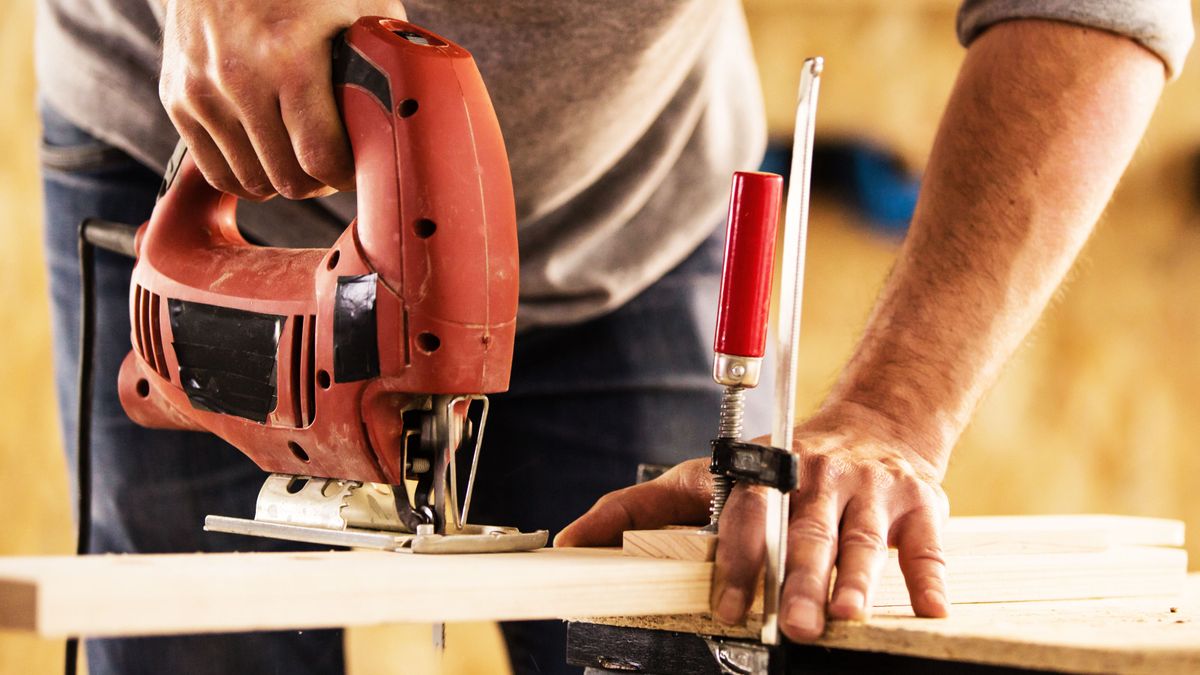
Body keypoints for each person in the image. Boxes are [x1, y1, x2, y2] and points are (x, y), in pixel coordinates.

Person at [35, 0, 1192, 673]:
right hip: (177, 171)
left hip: (627, 201)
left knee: (686, 641)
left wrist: (897, 412)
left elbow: (1101, 12)